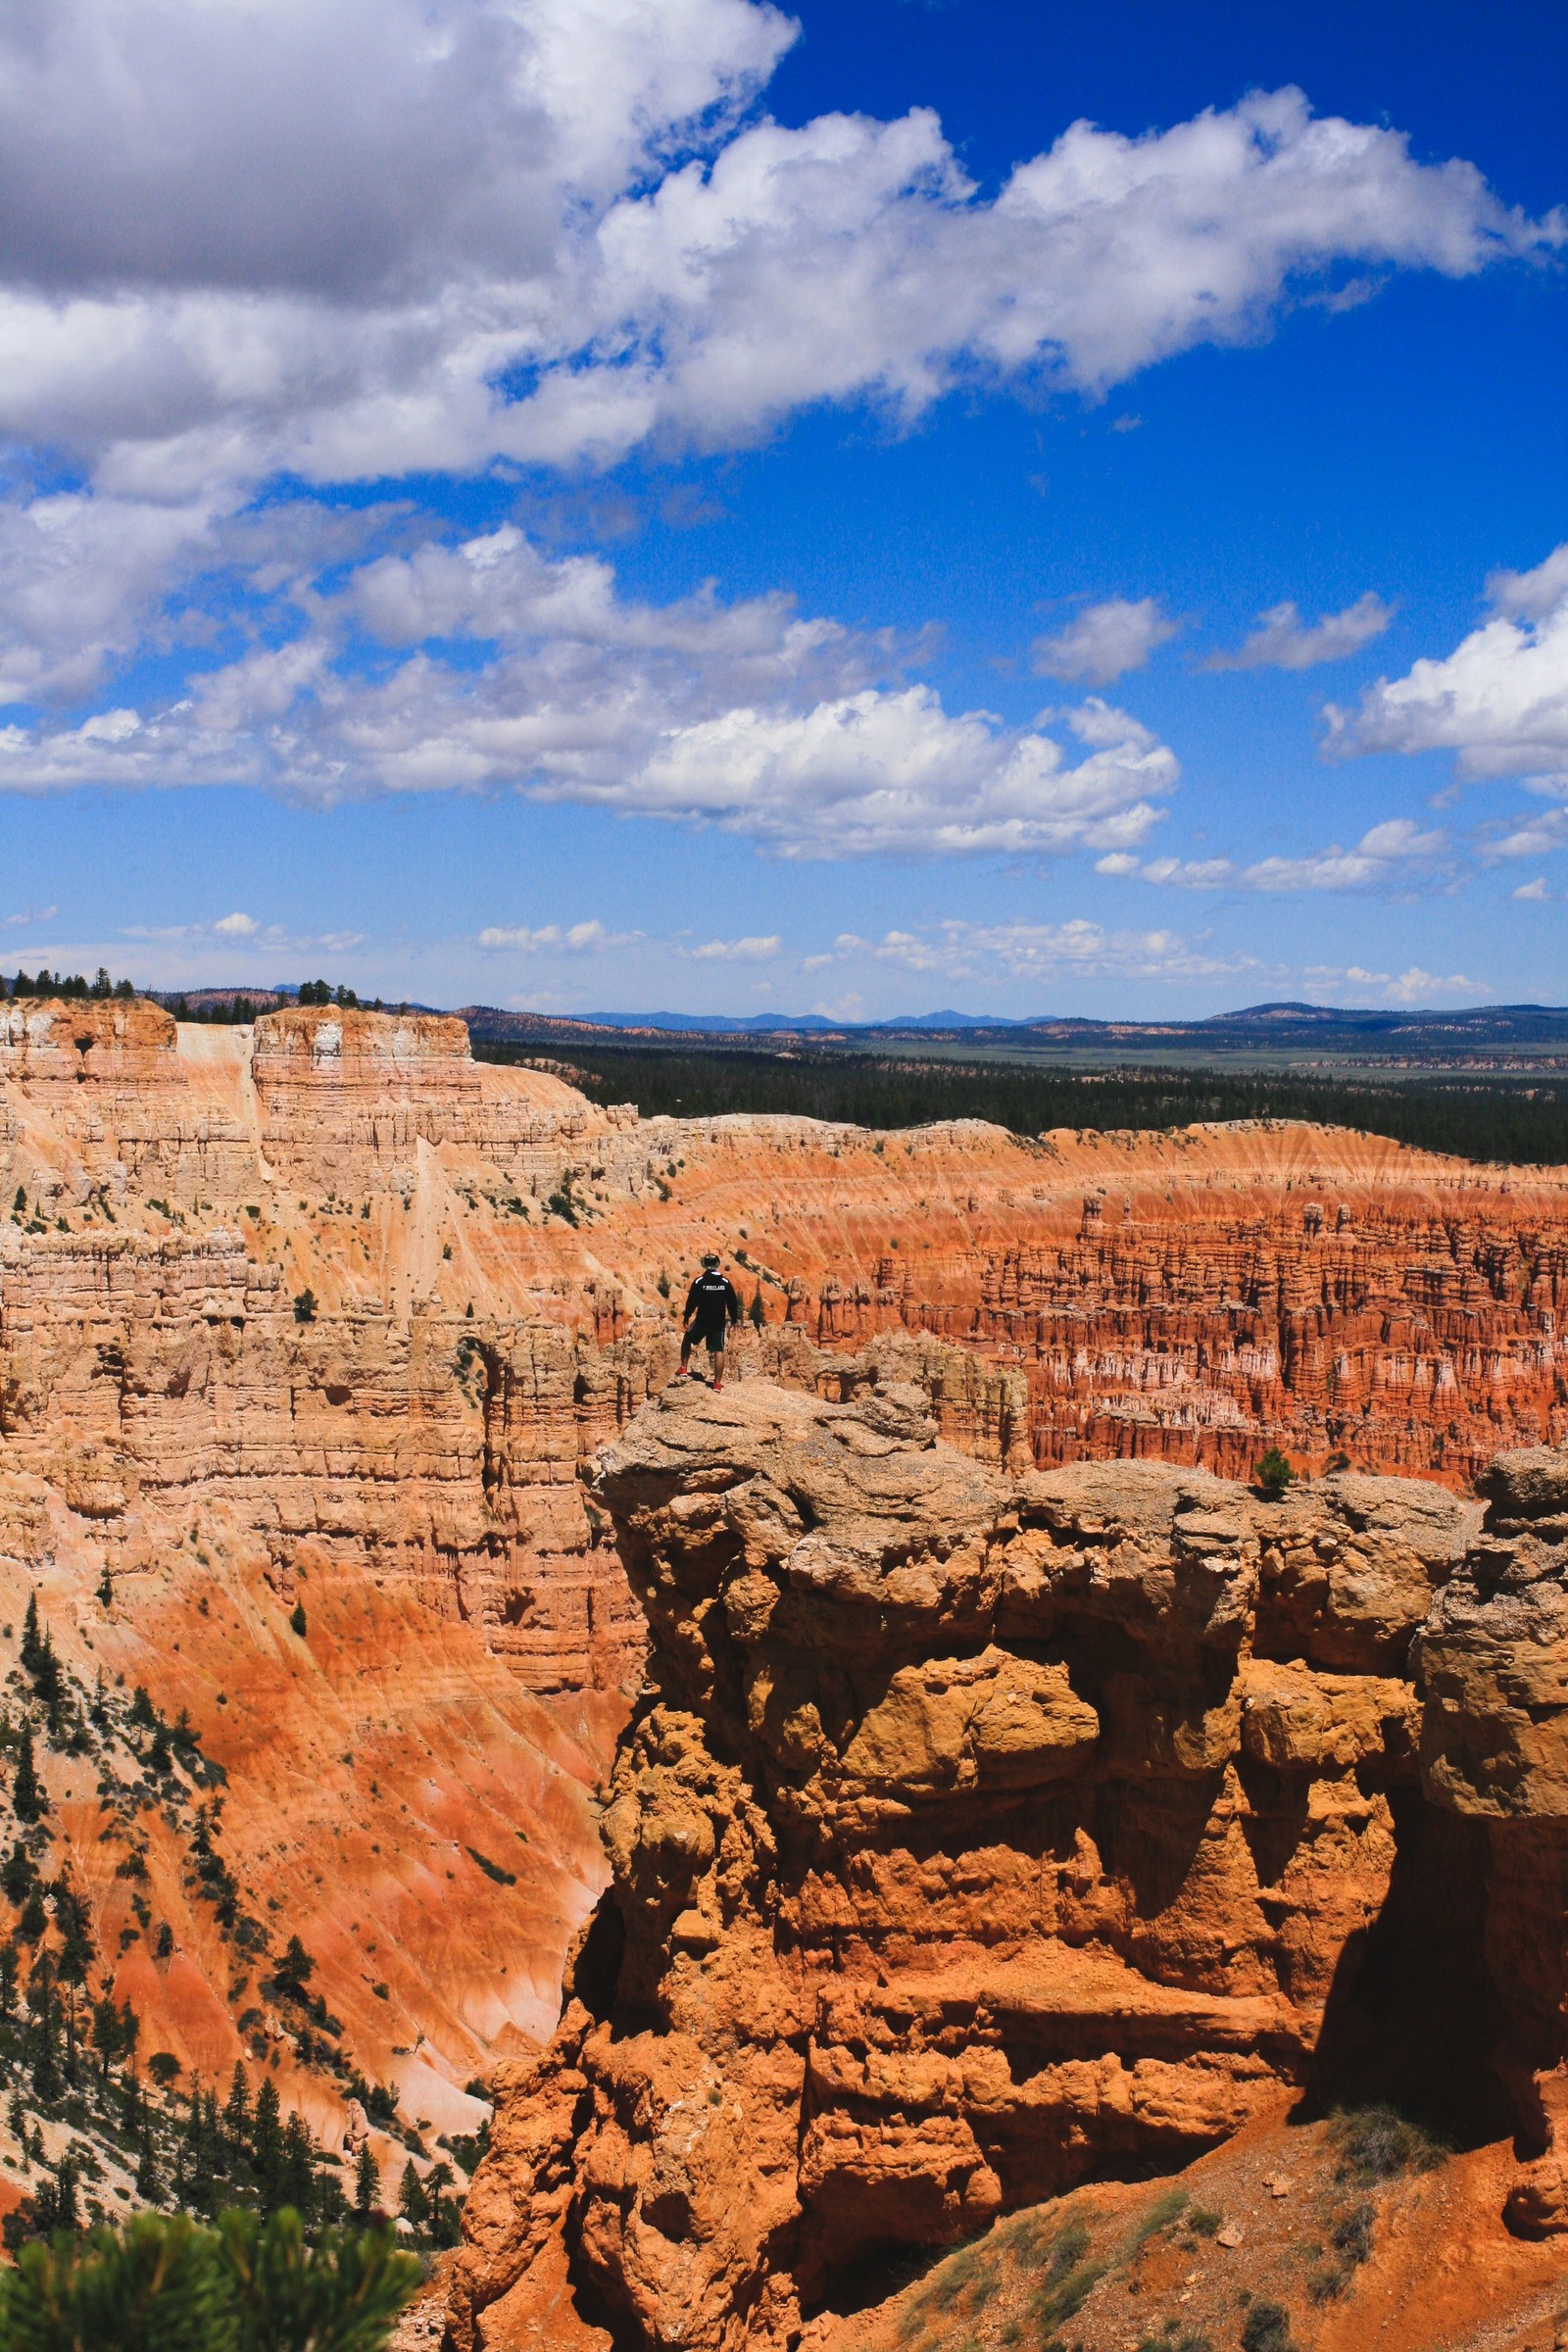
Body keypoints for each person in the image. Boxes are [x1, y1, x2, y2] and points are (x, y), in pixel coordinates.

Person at [677, 1252, 742, 1390]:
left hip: (702, 1320)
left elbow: (692, 1301)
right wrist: (734, 1319)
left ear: (704, 1265)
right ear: (717, 1265)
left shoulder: (699, 1282)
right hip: (718, 1322)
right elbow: (732, 1302)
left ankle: (683, 1368)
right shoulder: (725, 1283)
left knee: (687, 1338)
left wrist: (687, 1316)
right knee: (718, 1350)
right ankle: (717, 1384)